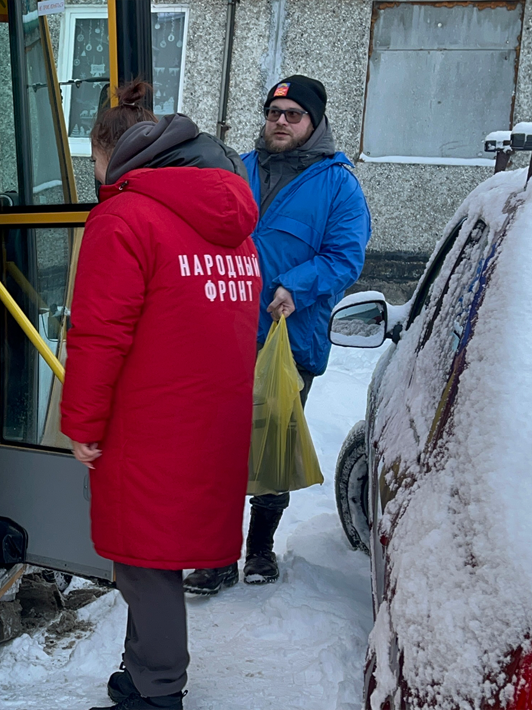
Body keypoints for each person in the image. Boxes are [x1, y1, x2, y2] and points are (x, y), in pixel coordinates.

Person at [60, 81, 261, 710]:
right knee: (154, 556)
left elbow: (98, 335)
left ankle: (157, 691)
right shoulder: (233, 226)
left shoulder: (124, 218)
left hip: (147, 424)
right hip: (210, 422)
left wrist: (83, 422)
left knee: (145, 565)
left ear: (113, 156)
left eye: (94, 163)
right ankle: (141, 670)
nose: (96, 178)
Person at [183, 75, 371, 595]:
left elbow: (345, 257)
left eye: (293, 114)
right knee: (218, 449)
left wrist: (295, 286)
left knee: (272, 446)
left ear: (315, 122)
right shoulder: (234, 169)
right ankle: (217, 557)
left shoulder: (338, 185)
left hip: (289, 339)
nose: (281, 122)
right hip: (224, 335)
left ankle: (260, 549)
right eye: (274, 112)